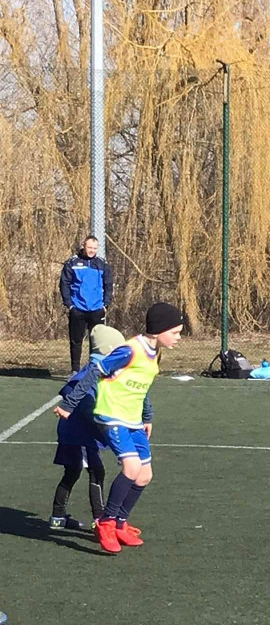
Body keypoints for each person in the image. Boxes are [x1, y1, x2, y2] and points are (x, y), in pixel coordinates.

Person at [55, 302, 184, 554]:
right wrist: (69, 404)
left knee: (144, 475)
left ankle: (121, 523)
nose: (179, 337)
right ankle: (106, 523)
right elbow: (94, 372)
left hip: (132, 419)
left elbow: (142, 386)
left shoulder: (155, 352)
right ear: (159, 330)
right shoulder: (129, 350)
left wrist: (147, 416)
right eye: (175, 332)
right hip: (112, 416)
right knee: (131, 468)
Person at [50, 325, 127, 532]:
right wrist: (114, 439)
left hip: (76, 433)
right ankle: (100, 520)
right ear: (109, 351)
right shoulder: (91, 375)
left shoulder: (99, 372)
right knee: (96, 472)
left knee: (73, 472)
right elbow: (90, 410)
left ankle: (58, 517)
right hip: (79, 435)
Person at [59, 235, 113, 373]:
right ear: (84, 245)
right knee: (76, 341)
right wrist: (69, 305)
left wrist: (105, 305)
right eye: (89, 247)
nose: (92, 250)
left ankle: (93, 370)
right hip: (78, 308)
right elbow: (64, 284)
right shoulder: (72, 262)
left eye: (94, 248)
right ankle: (75, 371)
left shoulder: (102, 264)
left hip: (97, 309)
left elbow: (108, 285)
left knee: (97, 341)